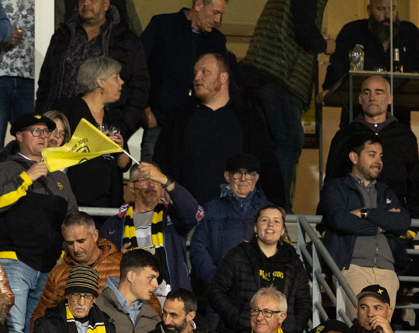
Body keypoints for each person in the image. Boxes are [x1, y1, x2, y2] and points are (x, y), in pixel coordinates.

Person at [0, 113, 78, 333]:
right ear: (19, 135)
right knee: (12, 330)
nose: (43, 136)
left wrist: (65, 253)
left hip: (49, 267)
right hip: (14, 263)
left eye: (46, 132)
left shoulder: (59, 177)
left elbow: (71, 218)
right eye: (36, 131)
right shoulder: (3, 169)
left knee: (35, 332)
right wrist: (26, 178)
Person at [154, 53, 285, 208]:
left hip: (236, 220)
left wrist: (278, 205)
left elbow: (268, 165)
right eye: (195, 73)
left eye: (205, 72)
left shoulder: (248, 119)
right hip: (187, 217)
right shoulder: (179, 117)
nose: (197, 77)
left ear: (223, 77)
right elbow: (160, 159)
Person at [238, 0, 329, 205]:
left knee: (266, 146)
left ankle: (261, 205)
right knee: (290, 142)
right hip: (280, 77)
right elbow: (304, 31)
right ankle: (279, 207)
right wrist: (325, 45)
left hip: (260, 74)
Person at [35, 0, 148, 142]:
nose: (86, 3)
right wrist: (42, 119)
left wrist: (123, 128)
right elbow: (45, 83)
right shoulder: (62, 36)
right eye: (82, 0)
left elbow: (140, 88)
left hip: (103, 127)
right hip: (60, 125)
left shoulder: (126, 40)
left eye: (93, 0)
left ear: (106, 5)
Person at [320, 136, 411, 307]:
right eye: (372, 155)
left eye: (380, 156)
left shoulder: (386, 191)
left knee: (382, 330)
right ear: (354, 158)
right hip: (352, 268)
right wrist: (382, 226)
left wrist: (365, 213)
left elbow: (402, 223)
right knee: (358, 327)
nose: (379, 161)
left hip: (387, 270)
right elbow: (340, 220)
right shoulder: (335, 187)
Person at [323, 75, 419, 219]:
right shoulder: (345, 135)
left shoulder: (405, 136)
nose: (372, 98)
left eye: (378, 92)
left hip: (394, 221)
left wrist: (411, 226)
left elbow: (415, 184)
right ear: (360, 99)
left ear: (389, 98)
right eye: (366, 92)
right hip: (353, 220)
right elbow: (331, 179)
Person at [140, 0, 232, 158]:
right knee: (151, 179)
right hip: (159, 124)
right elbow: (137, 69)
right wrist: (145, 110)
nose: (218, 20)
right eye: (215, 12)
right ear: (198, 5)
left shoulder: (216, 41)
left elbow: (227, 85)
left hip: (199, 129)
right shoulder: (162, 26)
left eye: (221, 14)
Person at [208, 206, 311, 333]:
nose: (270, 225)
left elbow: (303, 300)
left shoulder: (293, 262)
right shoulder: (237, 256)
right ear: (255, 227)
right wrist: (239, 320)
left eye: (276, 221)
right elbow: (216, 291)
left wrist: (294, 328)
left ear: (282, 230)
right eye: (264, 220)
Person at [98, 162, 198, 297]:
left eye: (156, 180)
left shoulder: (173, 216)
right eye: (145, 180)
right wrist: (117, 259)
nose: (151, 184)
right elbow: (101, 267)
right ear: (131, 187)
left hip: (172, 301)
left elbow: (192, 213)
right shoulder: (113, 225)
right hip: (130, 303)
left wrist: (166, 180)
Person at [49, 58, 131, 209]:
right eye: (116, 77)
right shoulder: (67, 109)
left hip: (109, 204)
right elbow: (51, 152)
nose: (122, 82)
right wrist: (91, 143)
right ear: (100, 82)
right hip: (73, 202)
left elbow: (124, 164)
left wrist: (120, 150)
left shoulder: (114, 117)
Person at [189, 155, 270, 288]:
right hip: (221, 292)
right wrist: (214, 279)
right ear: (227, 176)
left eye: (249, 173)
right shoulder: (211, 209)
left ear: (256, 178)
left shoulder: (268, 211)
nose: (243, 178)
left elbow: (282, 249)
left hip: (260, 295)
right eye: (238, 173)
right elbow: (198, 247)